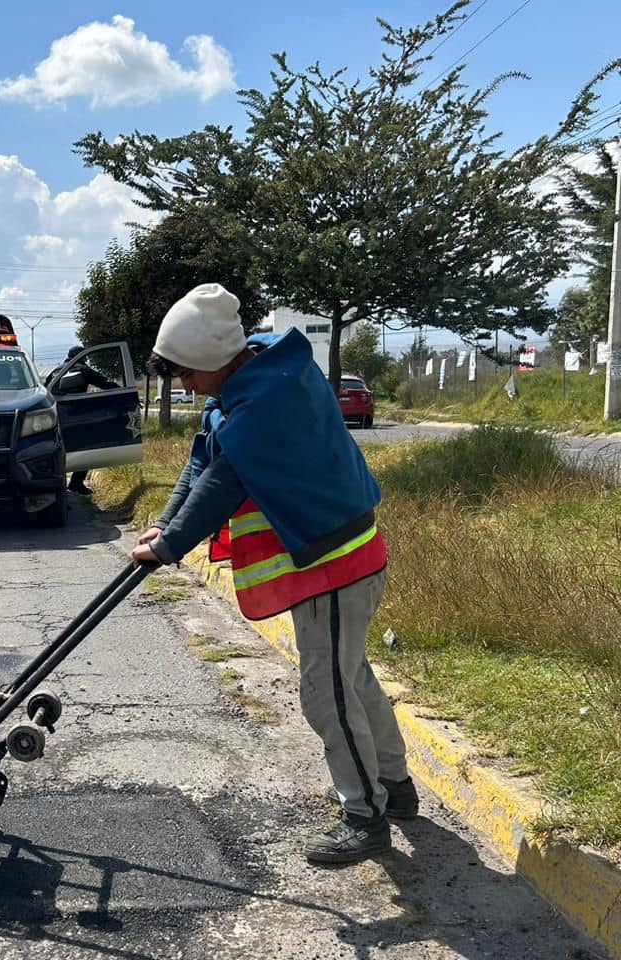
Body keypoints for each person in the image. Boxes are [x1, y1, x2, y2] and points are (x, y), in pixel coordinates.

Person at [131, 283, 416, 866]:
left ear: (213, 359)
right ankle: (398, 788)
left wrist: (171, 548)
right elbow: (200, 459)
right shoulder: (259, 368)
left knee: (327, 692)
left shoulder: (262, 407)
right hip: (347, 551)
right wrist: (162, 528)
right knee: (351, 677)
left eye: (186, 373)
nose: (184, 385)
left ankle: (366, 816)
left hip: (335, 563)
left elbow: (221, 483)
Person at [46, 346, 119, 495]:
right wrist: (124, 392)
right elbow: (105, 383)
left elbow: (44, 390)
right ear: (82, 357)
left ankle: (58, 490)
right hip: (76, 415)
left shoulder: (56, 371)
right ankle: (76, 483)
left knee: (57, 452)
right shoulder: (83, 370)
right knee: (86, 449)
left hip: (54, 417)